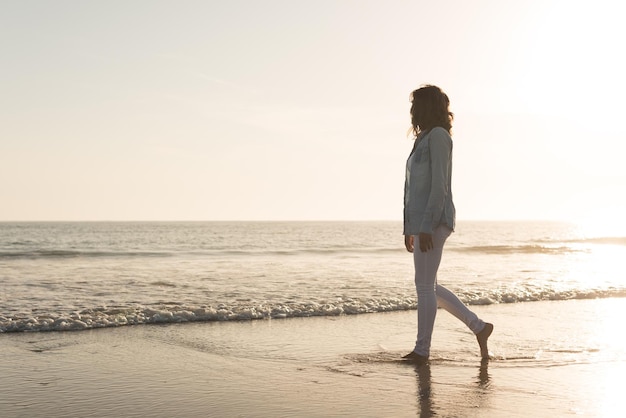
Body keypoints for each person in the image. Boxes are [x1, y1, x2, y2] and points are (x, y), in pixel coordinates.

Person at [402, 85, 493, 364]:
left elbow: (439, 185)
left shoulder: (439, 137)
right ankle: (479, 327)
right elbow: (412, 187)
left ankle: (422, 350)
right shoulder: (423, 139)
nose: (412, 111)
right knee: (429, 285)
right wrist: (410, 228)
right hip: (422, 222)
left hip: (436, 220)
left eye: (416, 105)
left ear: (427, 107)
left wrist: (427, 225)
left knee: (424, 285)